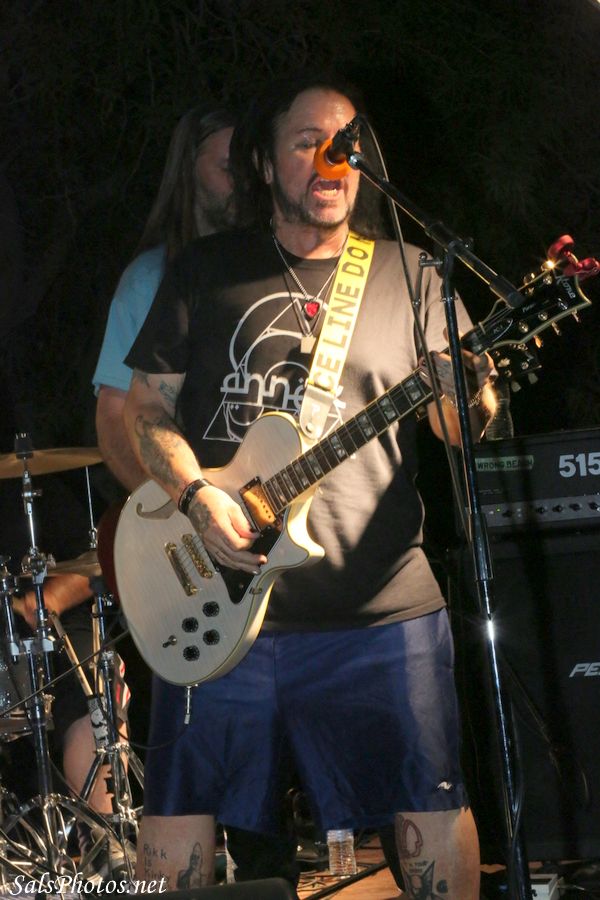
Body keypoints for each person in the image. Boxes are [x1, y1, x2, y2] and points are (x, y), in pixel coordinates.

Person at [122, 74, 496, 896]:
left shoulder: (413, 274)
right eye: (307, 142)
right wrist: (196, 497)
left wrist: (468, 391)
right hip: (217, 604)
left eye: (346, 144)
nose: (332, 159)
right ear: (264, 163)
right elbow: (146, 409)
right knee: (178, 817)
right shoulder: (207, 269)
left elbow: (463, 426)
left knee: (433, 807)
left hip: (381, 608)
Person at [92, 102, 300, 888]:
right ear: (190, 172)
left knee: (271, 797)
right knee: (194, 782)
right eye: (225, 163)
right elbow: (119, 417)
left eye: (252, 161)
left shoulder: (283, 266)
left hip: (285, 552)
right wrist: (175, 521)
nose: (244, 178)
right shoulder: (154, 277)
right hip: (197, 556)